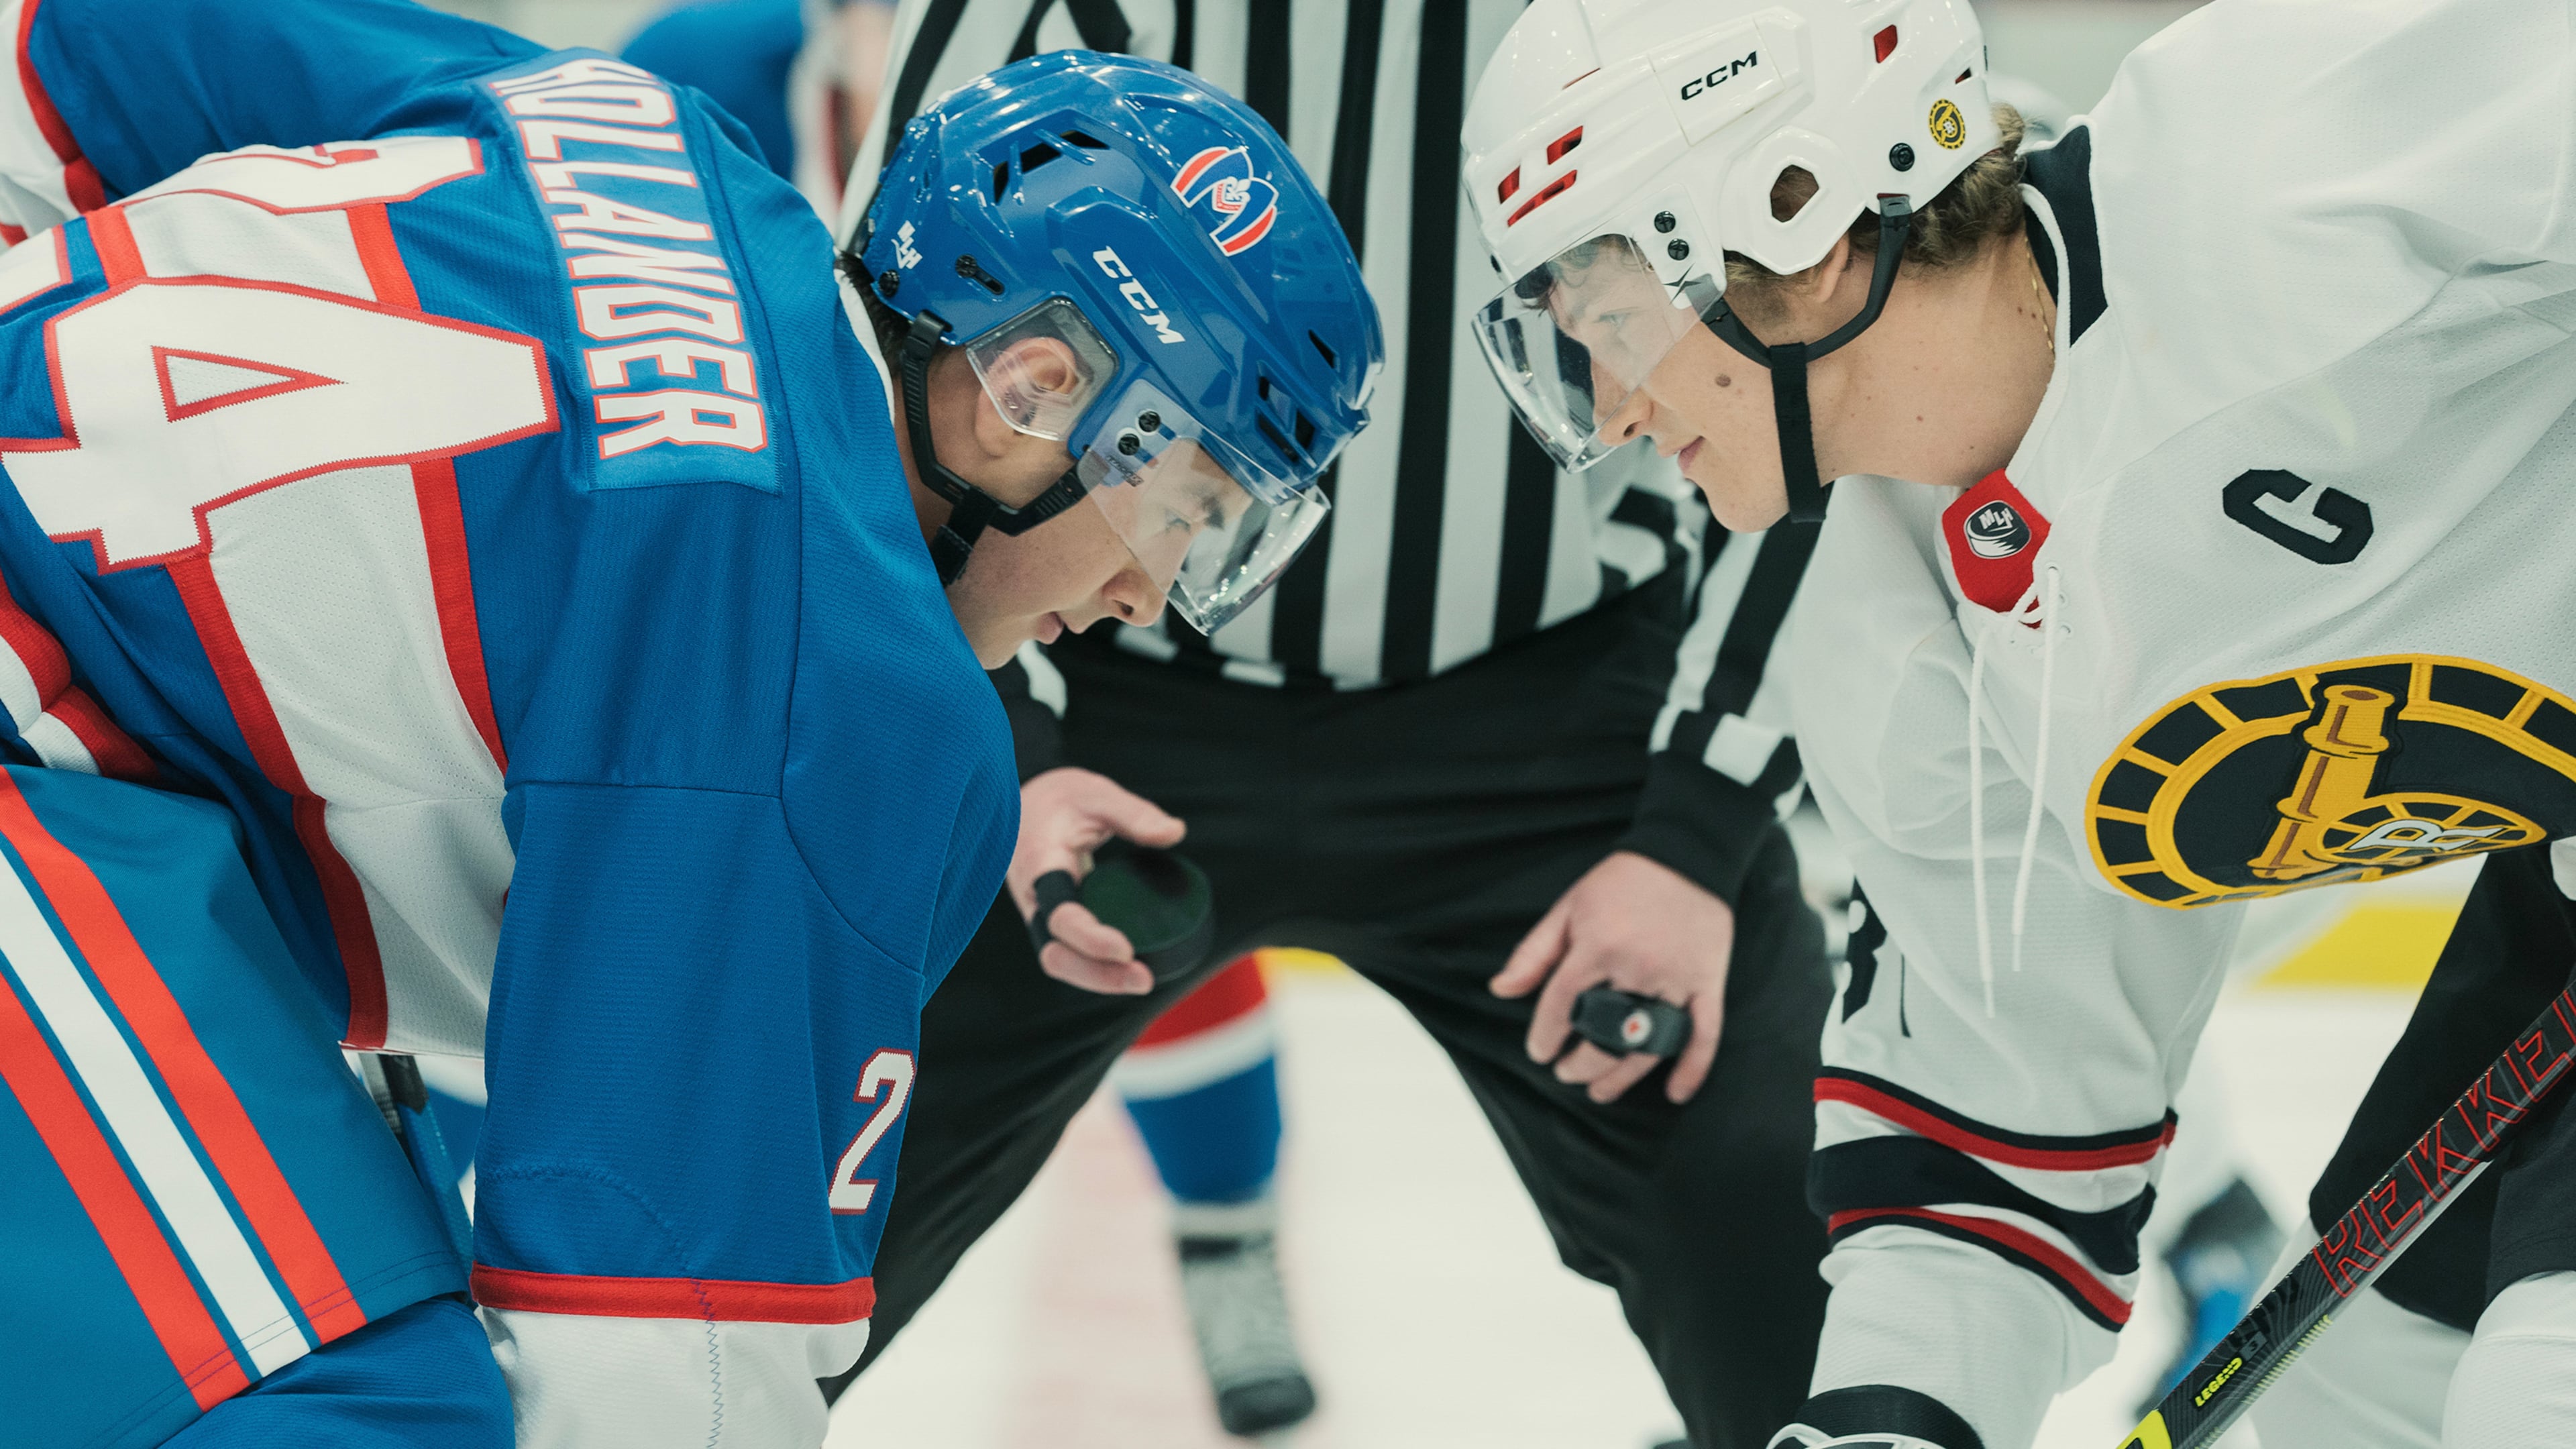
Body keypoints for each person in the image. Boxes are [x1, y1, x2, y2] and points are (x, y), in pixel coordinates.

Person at [0, 1, 1376, 1443]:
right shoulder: (833, 683)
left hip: (96, 815)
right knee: (344, 1408)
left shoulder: (641, 126)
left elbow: (82, 41)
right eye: (1184, 507)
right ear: (1029, 392)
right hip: (52, 797)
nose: (1149, 592)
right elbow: (666, 1360)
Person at [1458, 0, 2576, 1445]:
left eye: (1616, 322)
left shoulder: (2282, 150)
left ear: (1793, 219)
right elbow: (1995, 1131)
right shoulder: (1884, 618)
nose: (1611, 409)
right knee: (2340, 1423)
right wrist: (1884, 1425)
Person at [820, 4, 1841, 1446]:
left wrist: (1696, 833)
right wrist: (1011, 760)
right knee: (764, 1224)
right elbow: (909, 362)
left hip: (1554, 732)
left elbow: (1827, 385)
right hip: (1089, 688)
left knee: (1787, 1240)